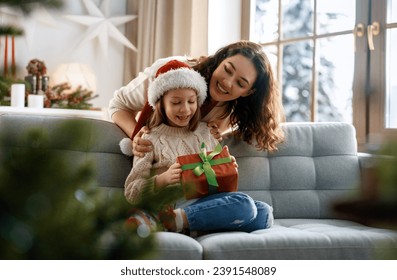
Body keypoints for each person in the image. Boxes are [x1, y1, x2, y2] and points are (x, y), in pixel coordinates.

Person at [124, 60, 274, 234]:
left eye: (191, 101)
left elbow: (217, 181)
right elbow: (131, 193)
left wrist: (227, 166)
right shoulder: (149, 139)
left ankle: (177, 222)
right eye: (176, 102)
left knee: (263, 212)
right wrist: (163, 179)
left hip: (206, 201)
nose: (185, 109)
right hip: (172, 202)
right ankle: (179, 220)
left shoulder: (207, 132)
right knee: (246, 206)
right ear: (161, 104)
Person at [109, 40, 285, 158]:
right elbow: (118, 105)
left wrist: (213, 136)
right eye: (227, 69)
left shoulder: (230, 112)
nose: (227, 82)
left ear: (248, 92)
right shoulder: (172, 71)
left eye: (240, 83)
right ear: (220, 60)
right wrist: (137, 138)